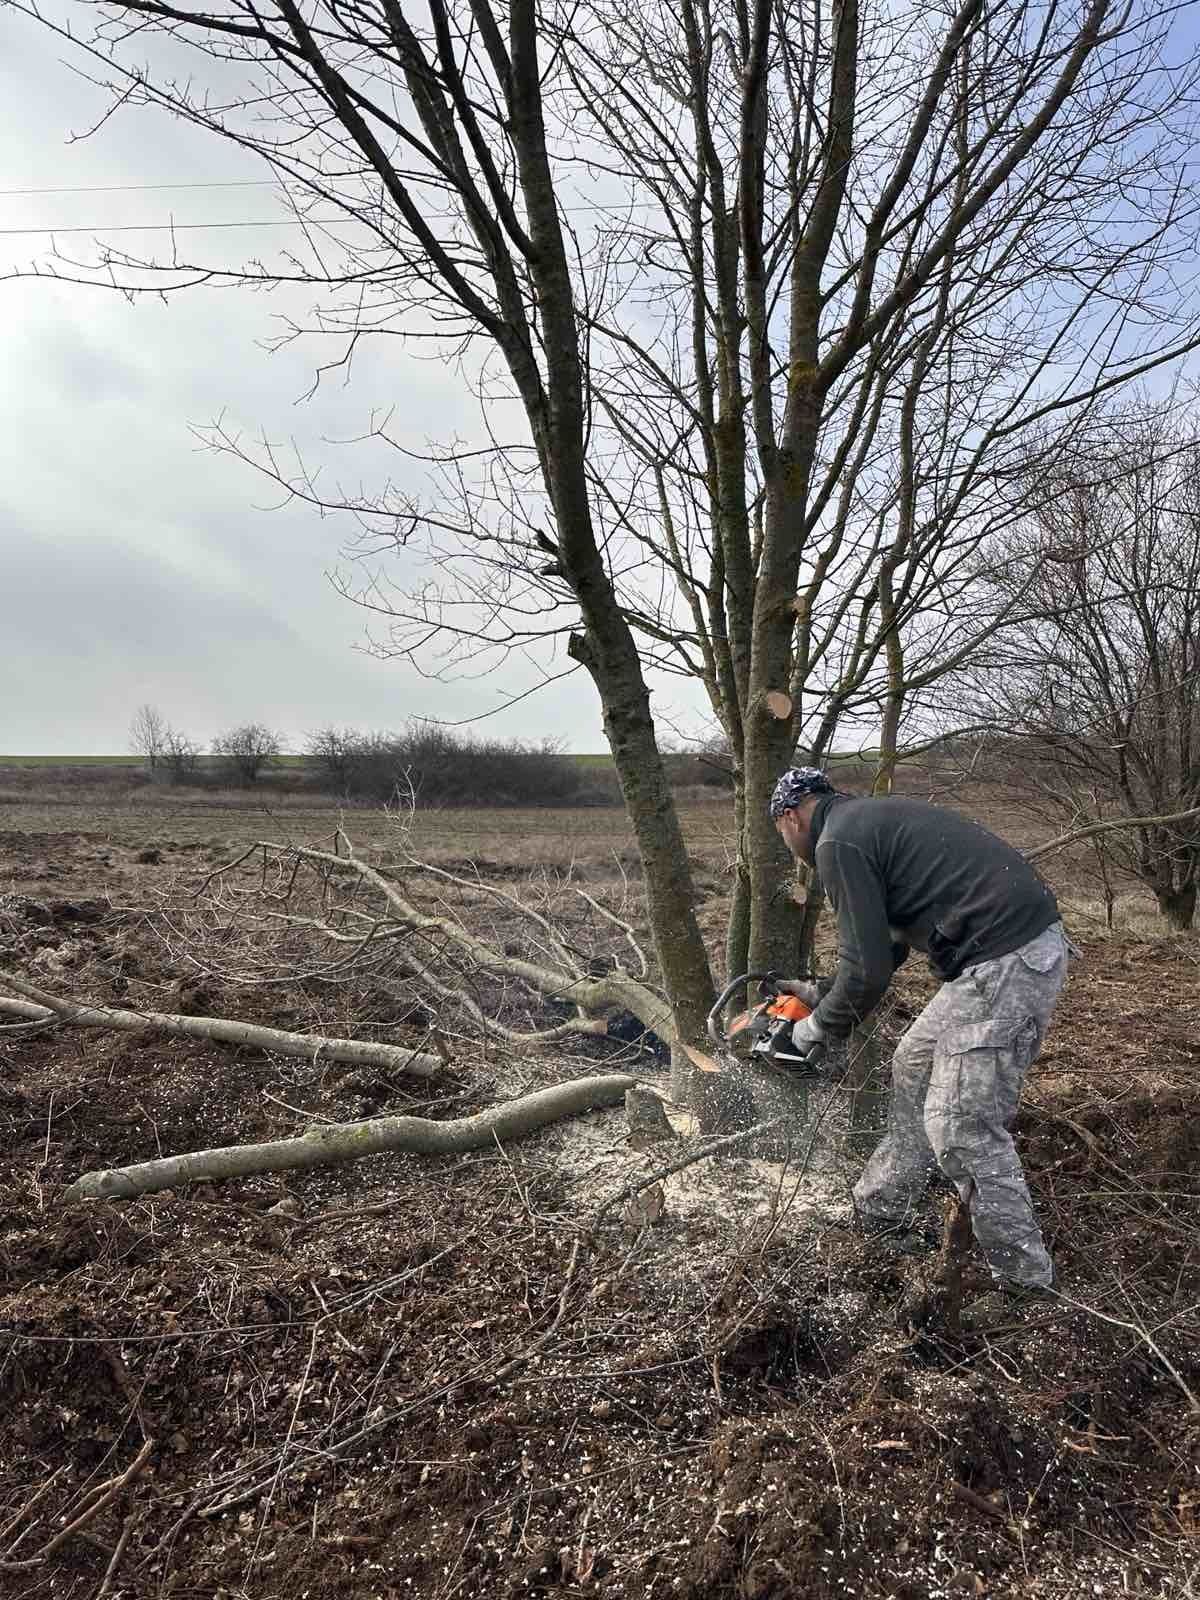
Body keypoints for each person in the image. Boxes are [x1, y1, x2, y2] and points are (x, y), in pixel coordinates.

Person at [769, 766, 1076, 1313]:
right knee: (915, 1063)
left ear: (791, 817)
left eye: (781, 833)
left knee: (962, 1125)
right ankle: (884, 1208)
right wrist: (821, 995)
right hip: (992, 958)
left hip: (1007, 959)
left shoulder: (836, 843)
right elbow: (883, 951)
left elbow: (867, 973)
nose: (788, 844)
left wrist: (811, 1031)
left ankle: (1027, 1286)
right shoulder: (861, 824)